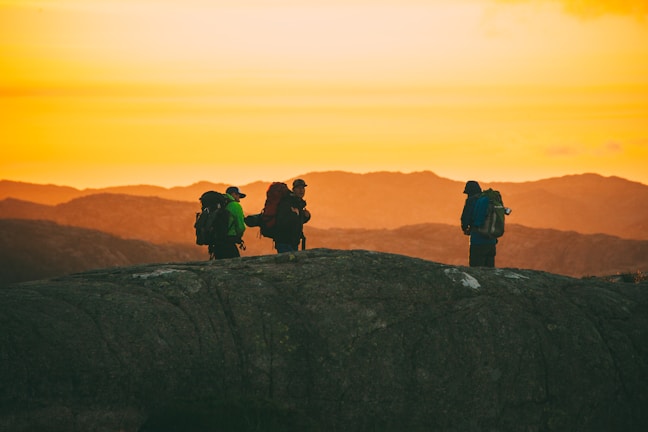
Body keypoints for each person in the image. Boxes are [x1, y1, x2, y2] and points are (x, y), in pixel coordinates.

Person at [460, 180, 497, 267]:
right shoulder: (489, 200)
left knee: (476, 271)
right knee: (490, 273)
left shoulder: (471, 200)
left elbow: (465, 219)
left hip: (478, 241)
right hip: (491, 242)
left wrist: (465, 229)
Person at [273, 179, 311, 253]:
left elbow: (298, 220)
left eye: (303, 188)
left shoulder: (298, 203)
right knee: (288, 264)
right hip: (284, 242)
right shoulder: (287, 202)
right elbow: (283, 221)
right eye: (298, 188)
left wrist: (306, 216)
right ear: (293, 189)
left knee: (291, 263)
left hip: (293, 242)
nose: (301, 190)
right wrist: (295, 214)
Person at [211, 186, 246, 259]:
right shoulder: (235, 206)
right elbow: (241, 227)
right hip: (229, 242)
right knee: (236, 266)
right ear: (233, 194)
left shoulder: (220, 204)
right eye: (238, 195)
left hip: (217, 243)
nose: (239, 198)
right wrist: (238, 237)